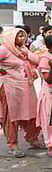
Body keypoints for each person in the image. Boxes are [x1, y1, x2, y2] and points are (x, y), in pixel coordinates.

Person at [0, 28, 41, 157]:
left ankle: (31, 137)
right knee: (12, 116)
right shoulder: (4, 49)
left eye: (23, 36)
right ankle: (13, 145)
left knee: (32, 112)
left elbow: (37, 61)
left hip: (26, 86)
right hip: (9, 87)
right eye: (18, 36)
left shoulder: (23, 50)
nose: (22, 39)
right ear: (11, 37)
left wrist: (26, 53)